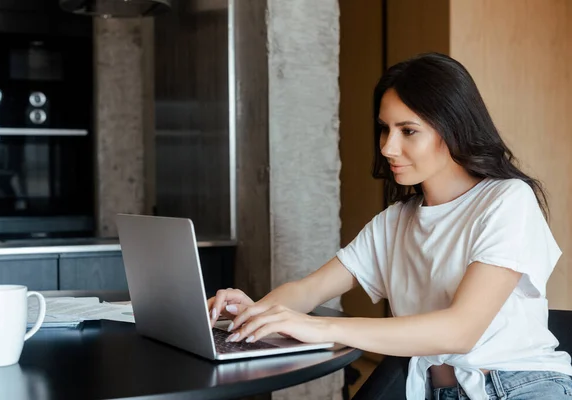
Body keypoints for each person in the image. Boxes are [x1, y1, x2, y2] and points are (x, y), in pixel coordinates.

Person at [207, 52, 572, 400]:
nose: (387, 147)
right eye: (385, 129)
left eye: (408, 131)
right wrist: (255, 314)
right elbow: (308, 289)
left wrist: (319, 327)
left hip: (517, 388)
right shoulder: (396, 221)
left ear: (454, 127)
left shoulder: (507, 200)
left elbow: (460, 330)